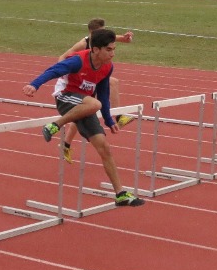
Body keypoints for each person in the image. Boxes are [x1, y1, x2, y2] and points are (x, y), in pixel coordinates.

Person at [22, 28, 144, 207]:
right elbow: (54, 70)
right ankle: (55, 125)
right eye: (109, 50)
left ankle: (120, 194)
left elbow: (103, 94)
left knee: (104, 147)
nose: (113, 53)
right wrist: (34, 85)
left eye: (114, 49)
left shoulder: (107, 67)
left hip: (84, 105)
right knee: (95, 105)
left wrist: (110, 121)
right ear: (95, 50)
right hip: (65, 98)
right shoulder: (78, 60)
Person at [57, 18, 134, 163]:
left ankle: (65, 144)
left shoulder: (101, 38)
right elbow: (63, 56)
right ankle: (117, 116)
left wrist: (126, 38)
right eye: (101, 32)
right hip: (80, 80)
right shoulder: (83, 43)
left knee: (81, 115)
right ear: (92, 33)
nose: (104, 34)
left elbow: (118, 39)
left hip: (93, 78)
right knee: (113, 83)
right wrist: (62, 73)